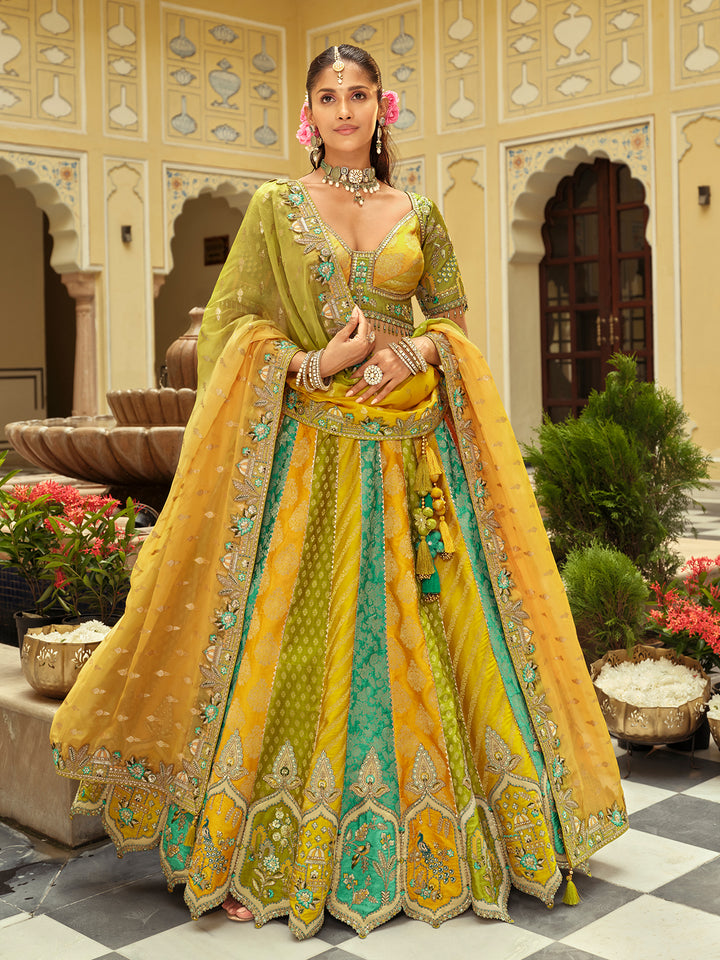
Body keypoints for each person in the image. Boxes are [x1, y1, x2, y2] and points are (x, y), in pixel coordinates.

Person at [50, 44, 627, 940]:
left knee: (439, 635)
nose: (345, 110)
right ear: (309, 114)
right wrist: (319, 359)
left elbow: (455, 324)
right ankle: (261, 846)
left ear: (380, 110)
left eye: (359, 95)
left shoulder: (419, 211)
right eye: (329, 96)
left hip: (416, 464)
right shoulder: (277, 210)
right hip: (311, 465)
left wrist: (415, 348)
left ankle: (466, 835)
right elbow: (229, 330)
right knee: (304, 633)